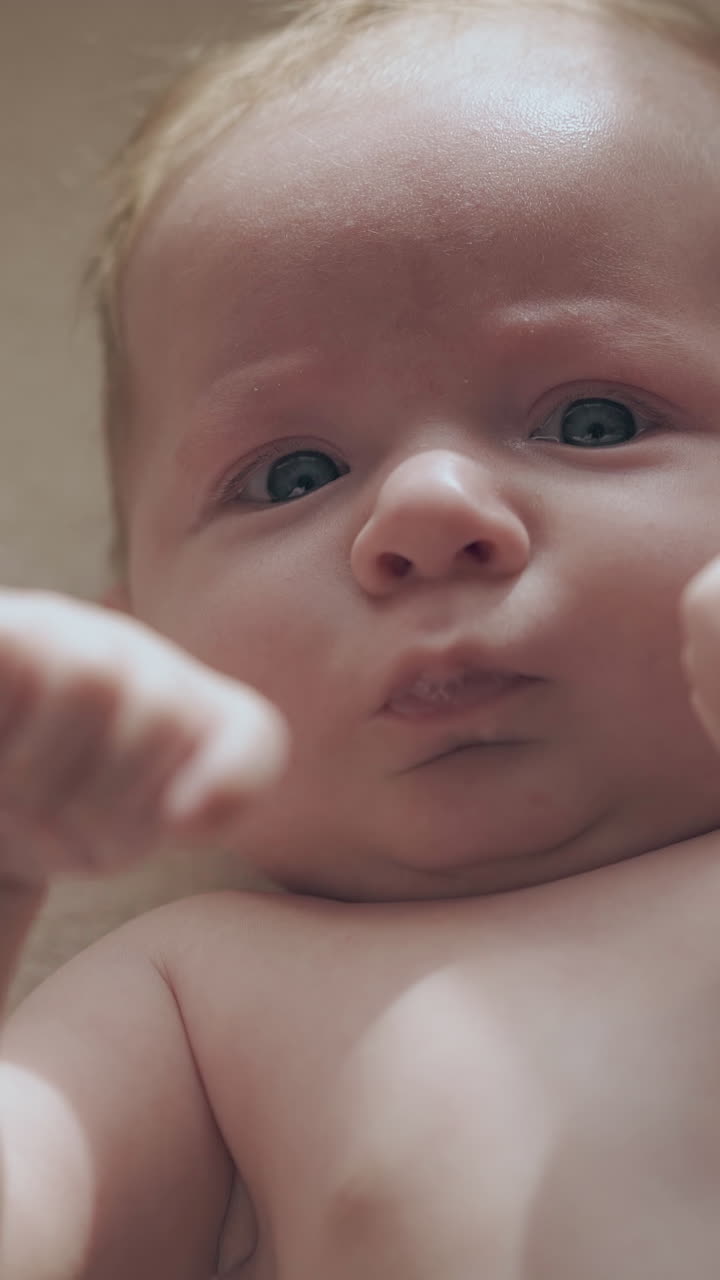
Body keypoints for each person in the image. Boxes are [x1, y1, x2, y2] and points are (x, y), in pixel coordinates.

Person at [2, 0, 720, 1274]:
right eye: (291, 475)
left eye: (597, 418)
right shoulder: (201, 1000)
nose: (428, 512)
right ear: (141, 636)